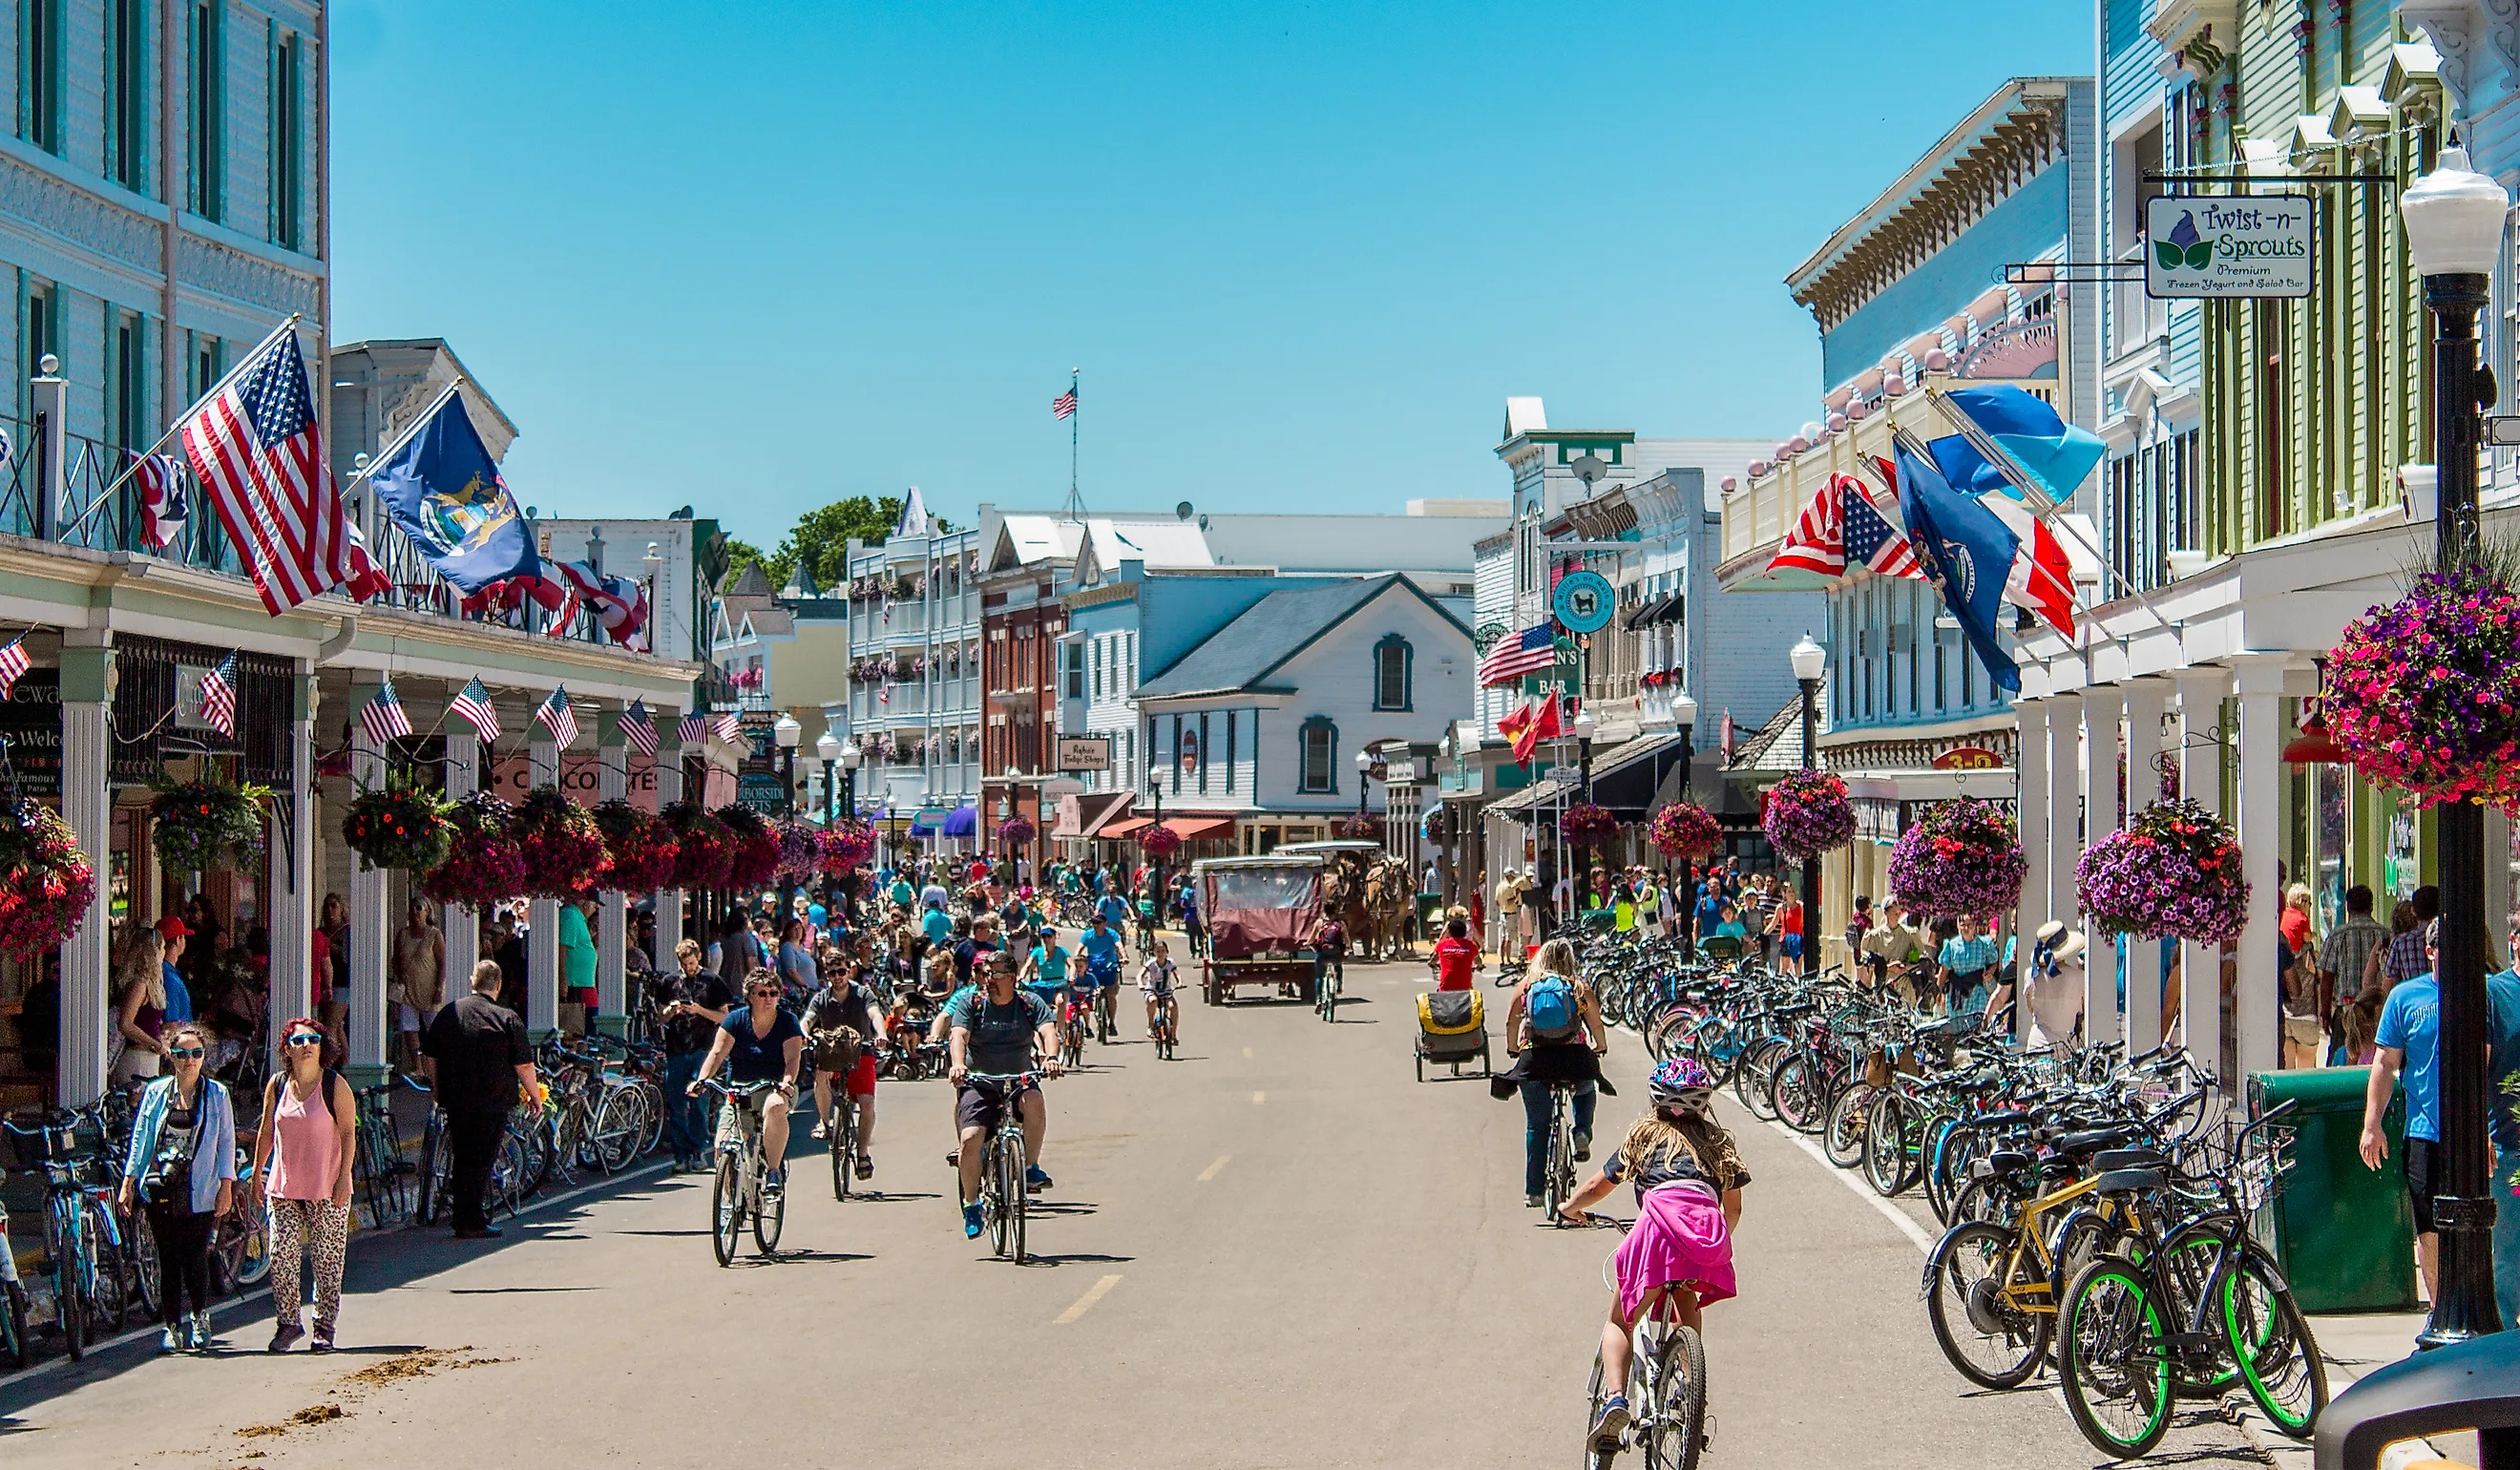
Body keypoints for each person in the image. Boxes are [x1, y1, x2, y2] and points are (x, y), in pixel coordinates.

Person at [1559, 1056, 1750, 1456]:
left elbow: (1598, 1185)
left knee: (1621, 1320)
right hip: (1703, 1237)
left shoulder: (1645, 1137)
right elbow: (1732, 1209)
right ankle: (1687, 1387)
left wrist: (1571, 1207)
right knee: (1685, 1299)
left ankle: (1614, 1400)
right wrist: (1714, 1243)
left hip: (1656, 1234)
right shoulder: (1718, 1144)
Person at [119, 1022, 235, 1352]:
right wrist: (129, 1181)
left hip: (201, 1188)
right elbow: (141, 1138)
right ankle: (172, 1326)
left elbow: (226, 1143)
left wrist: (226, 1185)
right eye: (182, 1054)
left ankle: (200, 1317)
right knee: (167, 1258)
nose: (190, 1060)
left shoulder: (216, 1095)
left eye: (196, 1053)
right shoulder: (157, 1093)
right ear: (171, 1056)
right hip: (162, 1188)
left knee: (195, 1256)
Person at [251, 1018, 355, 1352]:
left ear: (323, 1046)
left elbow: (348, 1133)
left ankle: (324, 1325)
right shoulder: (278, 1085)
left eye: (313, 1039)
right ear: (288, 1049)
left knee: (327, 1260)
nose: (307, 1046)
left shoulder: (334, 1085)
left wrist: (344, 1178)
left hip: (327, 1183)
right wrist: (256, 1174)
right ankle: (288, 1323)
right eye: (299, 1041)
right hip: (284, 1185)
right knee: (281, 1255)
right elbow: (267, 1131)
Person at [945, 954, 1064, 1238]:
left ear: (1012, 978)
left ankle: (1030, 1166)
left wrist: (1051, 1057)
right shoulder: (971, 1003)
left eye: (996, 975)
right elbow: (959, 1035)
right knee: (970, 1139)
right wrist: (958, 1064)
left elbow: (1049, 1031)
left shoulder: (1028, 1003)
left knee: (1034, 1101)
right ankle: (972, 1204)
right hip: (980, 1083)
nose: (989, 981)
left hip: (1018, 1079)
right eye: (986, 974)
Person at [2362, 917, 2447, 1304]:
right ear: (2430, 951)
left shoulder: (2484, 992)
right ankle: (2439, 1307)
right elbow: (2384, 1063)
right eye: (2444, 947)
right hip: (2424, 1130)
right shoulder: (2405, 998)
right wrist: (2372, 1124)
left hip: (2477, 1131)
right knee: (2428, 1227)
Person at [421, 961, 541, 1238]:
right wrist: (534, 1096)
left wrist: (437, 1089)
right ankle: (471, 1219)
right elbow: (523, 1065)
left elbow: (429, 1054)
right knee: (481, 1160)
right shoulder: (506, 1018)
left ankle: (464, 1216)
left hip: (457, 1098)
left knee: (463, 1157)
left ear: (472, 981)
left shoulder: (450, 1013)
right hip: (492, 1101)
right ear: (497, 985)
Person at [1502, 937, 1607, 1207]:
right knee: (1585, 1087)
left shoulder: (1527, 986)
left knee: (1537, 1126)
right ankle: (1582, 1129)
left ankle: (1534, 1191)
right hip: (1573, 1057)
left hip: (1535, 1059)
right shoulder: (1577, 986)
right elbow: (1595, 1021)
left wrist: (1514, 1048)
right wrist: (1600, 1045)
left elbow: (1511, 1022)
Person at [687, 969, 806, 1195]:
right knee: (722, 1146)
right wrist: (701, 1080)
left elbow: (792, 1059)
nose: (768, 998)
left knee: (775, 1106)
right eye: (762, 994)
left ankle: (773, 1171)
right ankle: (731, 1203)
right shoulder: (736, 1019)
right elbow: (717, 1054)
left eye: (773, 993)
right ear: (749, 996)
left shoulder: (787, 1021)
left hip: (774, 1087)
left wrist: (787, 1082)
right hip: (739, 1091)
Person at [657, 940, 736, 1173]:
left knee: (698, 1099)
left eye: (692, 963)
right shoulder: (669, 982)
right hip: (677, 1048)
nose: (689, 968)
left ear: (699, 957)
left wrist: (699, 1010)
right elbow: (660, 1017)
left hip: (704, 1046)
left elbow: (724, 1017)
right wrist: (671, 1010)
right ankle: (680, 1155)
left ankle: (698, 1149)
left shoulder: (713, 981)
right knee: (677, 1103)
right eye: (684, 964)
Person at [804, 962, 882, 1179]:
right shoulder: (821, 997)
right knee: (821, 1075)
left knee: (866, 1104)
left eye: (841, 972)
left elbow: (874, 1014)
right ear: (827, 974)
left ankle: (863, 1153)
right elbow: (808, 1019)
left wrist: (881, 1033)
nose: (837, 977)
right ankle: (824, 1122)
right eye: (832, 973)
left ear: (849, 972)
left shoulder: (863, 994)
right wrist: (803, 1033)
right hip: (832, 1050)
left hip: (861, 1051)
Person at [2320, 885, 2389, 1060]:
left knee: (2342, 1065)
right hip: (2377, 1013)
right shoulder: (2385, 935)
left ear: (2348, 907)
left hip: (2347, 1012)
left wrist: (2325, 1013)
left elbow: (2327, 979)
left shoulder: (2337, 935)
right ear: (2371, 906)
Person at [391, 898, 444, 1078]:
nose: (415, 912)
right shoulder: (403, 934)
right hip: (408, 988)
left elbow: (442, 962)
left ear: (427, 911)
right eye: (412, 908)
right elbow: (396, 958)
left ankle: (437, 1066)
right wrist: (399, 976)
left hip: (428, 988)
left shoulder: (434, 935)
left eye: (419, 908)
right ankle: (418, 1067)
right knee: (409, 1028)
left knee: (434, 1029)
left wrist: (438, 988)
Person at [112, 926, 171, 1083]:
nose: (164, 952)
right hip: (138, 1056)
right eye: (163, 948)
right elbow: (125, 1024)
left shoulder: (148, 984)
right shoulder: (139, 984)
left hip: (147, 1056)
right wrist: (156, 1045)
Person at [1939, 914, 1997, 1018]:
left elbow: (1994, 962)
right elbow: (1944, 971)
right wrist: (1939, 993)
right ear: (1958, 926)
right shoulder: (1952, 945)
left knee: (1976, 1026)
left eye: (1969, 925)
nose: (1966, 928)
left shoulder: (1984, 944)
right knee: (1957, 1029)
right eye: (1962, 925)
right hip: (1957, 993)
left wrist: (1990, 972)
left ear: (1974, 925)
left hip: (1977, 991)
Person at [556, 892, 598, 1030]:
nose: (595, 909)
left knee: (589, 1030)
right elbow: (562, 949)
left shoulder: (579, 919)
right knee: (576, 1031)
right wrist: (563, 980)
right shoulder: (571, 916)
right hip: (576, 986)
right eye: (594, 905)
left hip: (585, 985)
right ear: (585, 902)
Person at [1078, 911, 1127, 1020]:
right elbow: (1079, 948)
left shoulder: (1112, 933)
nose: (1095, 925)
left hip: (1109, 967)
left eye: (1098, 922)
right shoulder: (1088, 934)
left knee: (1111, 995)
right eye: (1093, 922)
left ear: (1105, 923)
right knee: (1086, 992)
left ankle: (1112, 1022)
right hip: (1093, 967)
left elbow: (1119, 945)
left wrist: (1124, 956)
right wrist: (1076, 959)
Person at [157, 915, 195, 1027]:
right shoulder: (170, 979)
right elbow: (171, 1024)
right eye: (183, 937)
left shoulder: (165, 973)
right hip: (177, 1041)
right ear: (178, 940)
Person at [1140, 939, 1181, 1039]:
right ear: (1154, 952)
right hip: (1152, 991)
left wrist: (1179, 983)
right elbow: (1140, 975)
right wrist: (1141, 985)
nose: (1160, 954)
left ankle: (1173, 1034)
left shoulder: (1170, 963)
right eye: (1158, 951)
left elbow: (1177, 974)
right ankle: (1150, 1025)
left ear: (1167, 952)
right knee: (1152, 1001)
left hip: (1166, 992)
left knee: (1173, 1007)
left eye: (1163, 951)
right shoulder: (1151, 963)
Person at [1431, 915, 1481, 991]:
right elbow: (1478, 961)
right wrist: (1479, 966)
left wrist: (1432, 964)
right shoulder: (1471, 945)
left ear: (1450, 932)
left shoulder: (1441, 944)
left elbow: (1433, 960)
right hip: (1464, 987)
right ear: (1464, 932)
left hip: (1446, 987)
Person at [1312, 913, 1349, 993]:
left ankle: (1319, 1000)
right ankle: (1339, 983)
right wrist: (1347, 947)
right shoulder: (1340, 923)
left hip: (1323, 954)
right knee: (1338, 965)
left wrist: (1307, 943)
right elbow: (1347, 939)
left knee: (1319, 976)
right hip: (1336, 953)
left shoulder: (1319, 922)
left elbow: (1311, 939)